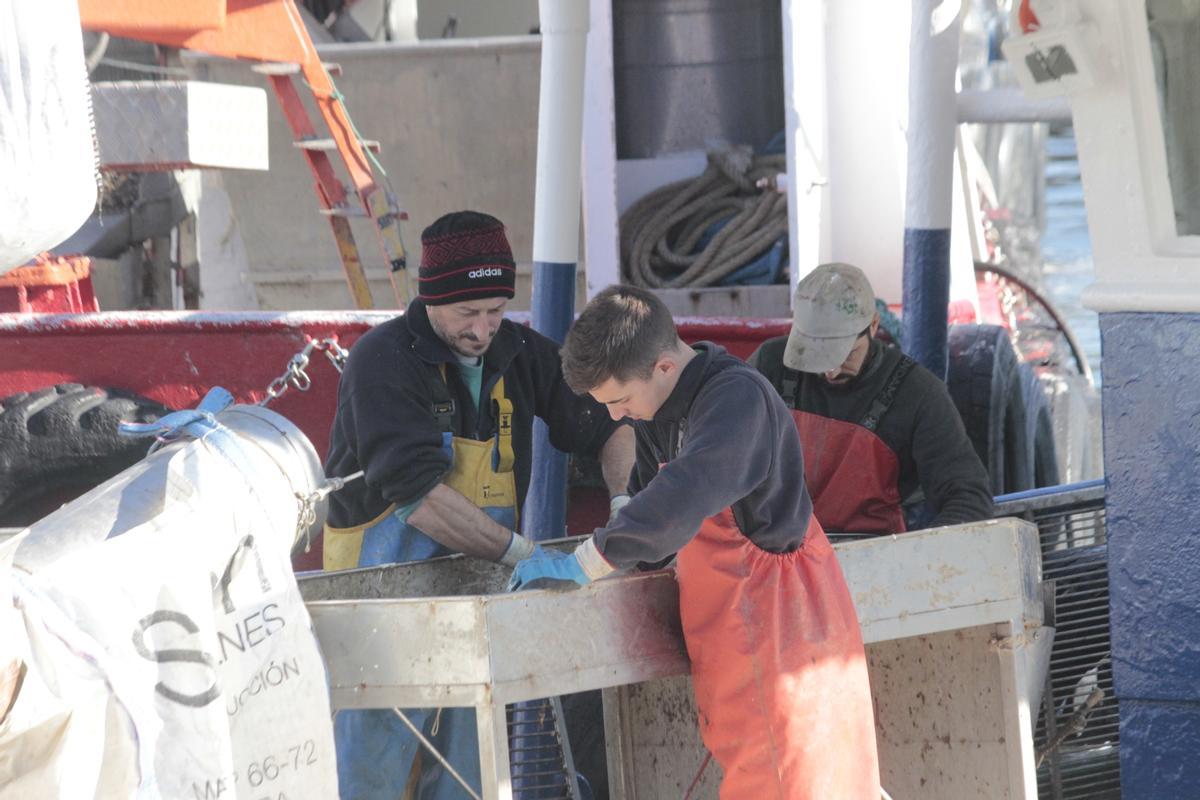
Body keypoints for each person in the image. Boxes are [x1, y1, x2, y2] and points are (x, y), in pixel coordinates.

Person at [509, 285, 880, 798]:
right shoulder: (658, 410)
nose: (616, 417)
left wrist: (588, 560)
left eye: (618, 400)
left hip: (783, 634)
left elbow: (685, 493)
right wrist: (619, 533)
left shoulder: (736, 400)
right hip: (732, 650)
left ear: (662, 366)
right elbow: (650, 521)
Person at [322, 211, 635, 799]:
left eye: (495, 309)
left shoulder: (520, 353)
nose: (484, 328)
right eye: (468, 313)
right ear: (431, 299)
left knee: (472, 773)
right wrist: (524, 555)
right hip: (379, 612)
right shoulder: (382, 363)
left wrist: (623, 504)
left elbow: (614, 420)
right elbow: (420, 502)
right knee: (371, 771)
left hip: (477, 607)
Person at [748, 262, 993, 535]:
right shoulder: (770, 365)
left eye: (845, 354)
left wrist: (924, 556)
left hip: (869, 556)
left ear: (873, 326)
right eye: (817, 355)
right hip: (776, 550)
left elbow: (969, 498)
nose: (832, 370)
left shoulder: (918, 394)